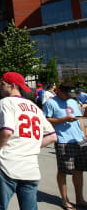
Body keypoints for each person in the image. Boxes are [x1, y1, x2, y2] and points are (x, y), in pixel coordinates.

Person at [0, 72, 57, 210]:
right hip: (31, 167)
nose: (1, 87)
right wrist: (33, 146)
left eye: (3, 84)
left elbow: (7, 131)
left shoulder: (6, 102)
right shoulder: (34, 107)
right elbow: (52, 136)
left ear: (12, 85)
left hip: (8, 163)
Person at [43, 82, 87, 210]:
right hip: (63, 140)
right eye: (67, 94)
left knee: (79, 170)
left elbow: (79, 119)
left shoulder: (73, 102)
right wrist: (64, 120)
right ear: (60, 92)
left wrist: (84, 135)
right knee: (63, 171)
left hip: (79, 140)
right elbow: (47, 120)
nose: (69, 97)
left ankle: (79, 198)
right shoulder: (51, 103)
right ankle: (65, 199)